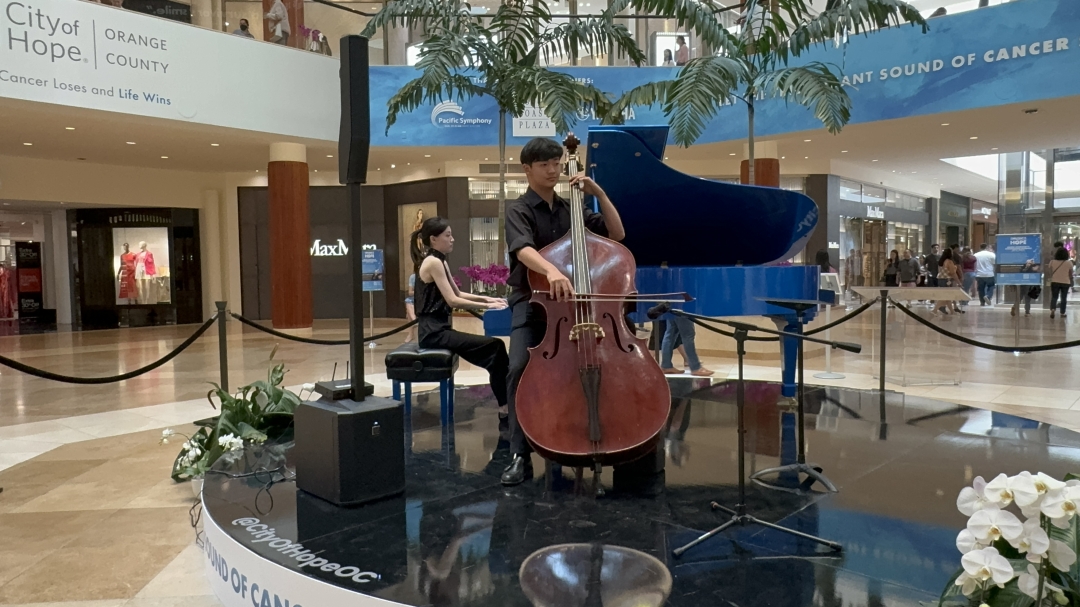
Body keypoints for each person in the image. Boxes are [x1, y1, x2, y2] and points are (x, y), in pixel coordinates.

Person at [501, 137, 626, 486]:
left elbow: (617, 233)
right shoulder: (519, 209)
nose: (554, 170)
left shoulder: (572, 208)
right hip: (532, 300)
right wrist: (551, 270)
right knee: (518, 368)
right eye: (545, 165)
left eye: (557, 163)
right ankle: (518, 455)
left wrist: (598, 194)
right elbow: (522, 249)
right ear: (528, 169)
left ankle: (580, 436)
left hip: (574, 306)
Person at [410, 216, 510, 417]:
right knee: (496, 347)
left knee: (495, 350)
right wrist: (485, 306)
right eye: (447, 235)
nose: (452, 239)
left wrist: (489, 301)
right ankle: (505, 407)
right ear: (433, 239)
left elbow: (459, 293)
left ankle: (506, 403)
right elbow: (453, 301)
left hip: (440, 329)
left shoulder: (440, 261)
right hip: (433, 333)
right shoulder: (432, 262)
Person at [934, 247, 963, 316]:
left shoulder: (941, 261)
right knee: (945, 296)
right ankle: (934, 310)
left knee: (947, 297)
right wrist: (959, 282)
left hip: (941, 279)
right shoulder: (949, 262)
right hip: (947, 280)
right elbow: (953, 273)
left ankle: (952, 311)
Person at [1048, 246, 1074, 319]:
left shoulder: (1052, 262)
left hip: (1055, 281)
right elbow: (1070, 273)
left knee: (1054, 297)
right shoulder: (1069, 263)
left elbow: (1050, 272)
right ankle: (1062, 313)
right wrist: (1071, 280)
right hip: (1065, 282)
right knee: (1063, 297)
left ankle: (1053, 309)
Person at [404, 272, 417, 342]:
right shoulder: (413, 277)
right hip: (414, 298)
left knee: (409, 314)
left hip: (424, 299)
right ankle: (414, 320)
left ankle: (411, 334)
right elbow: (410, 292)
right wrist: (418, 292)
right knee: (408, 301)